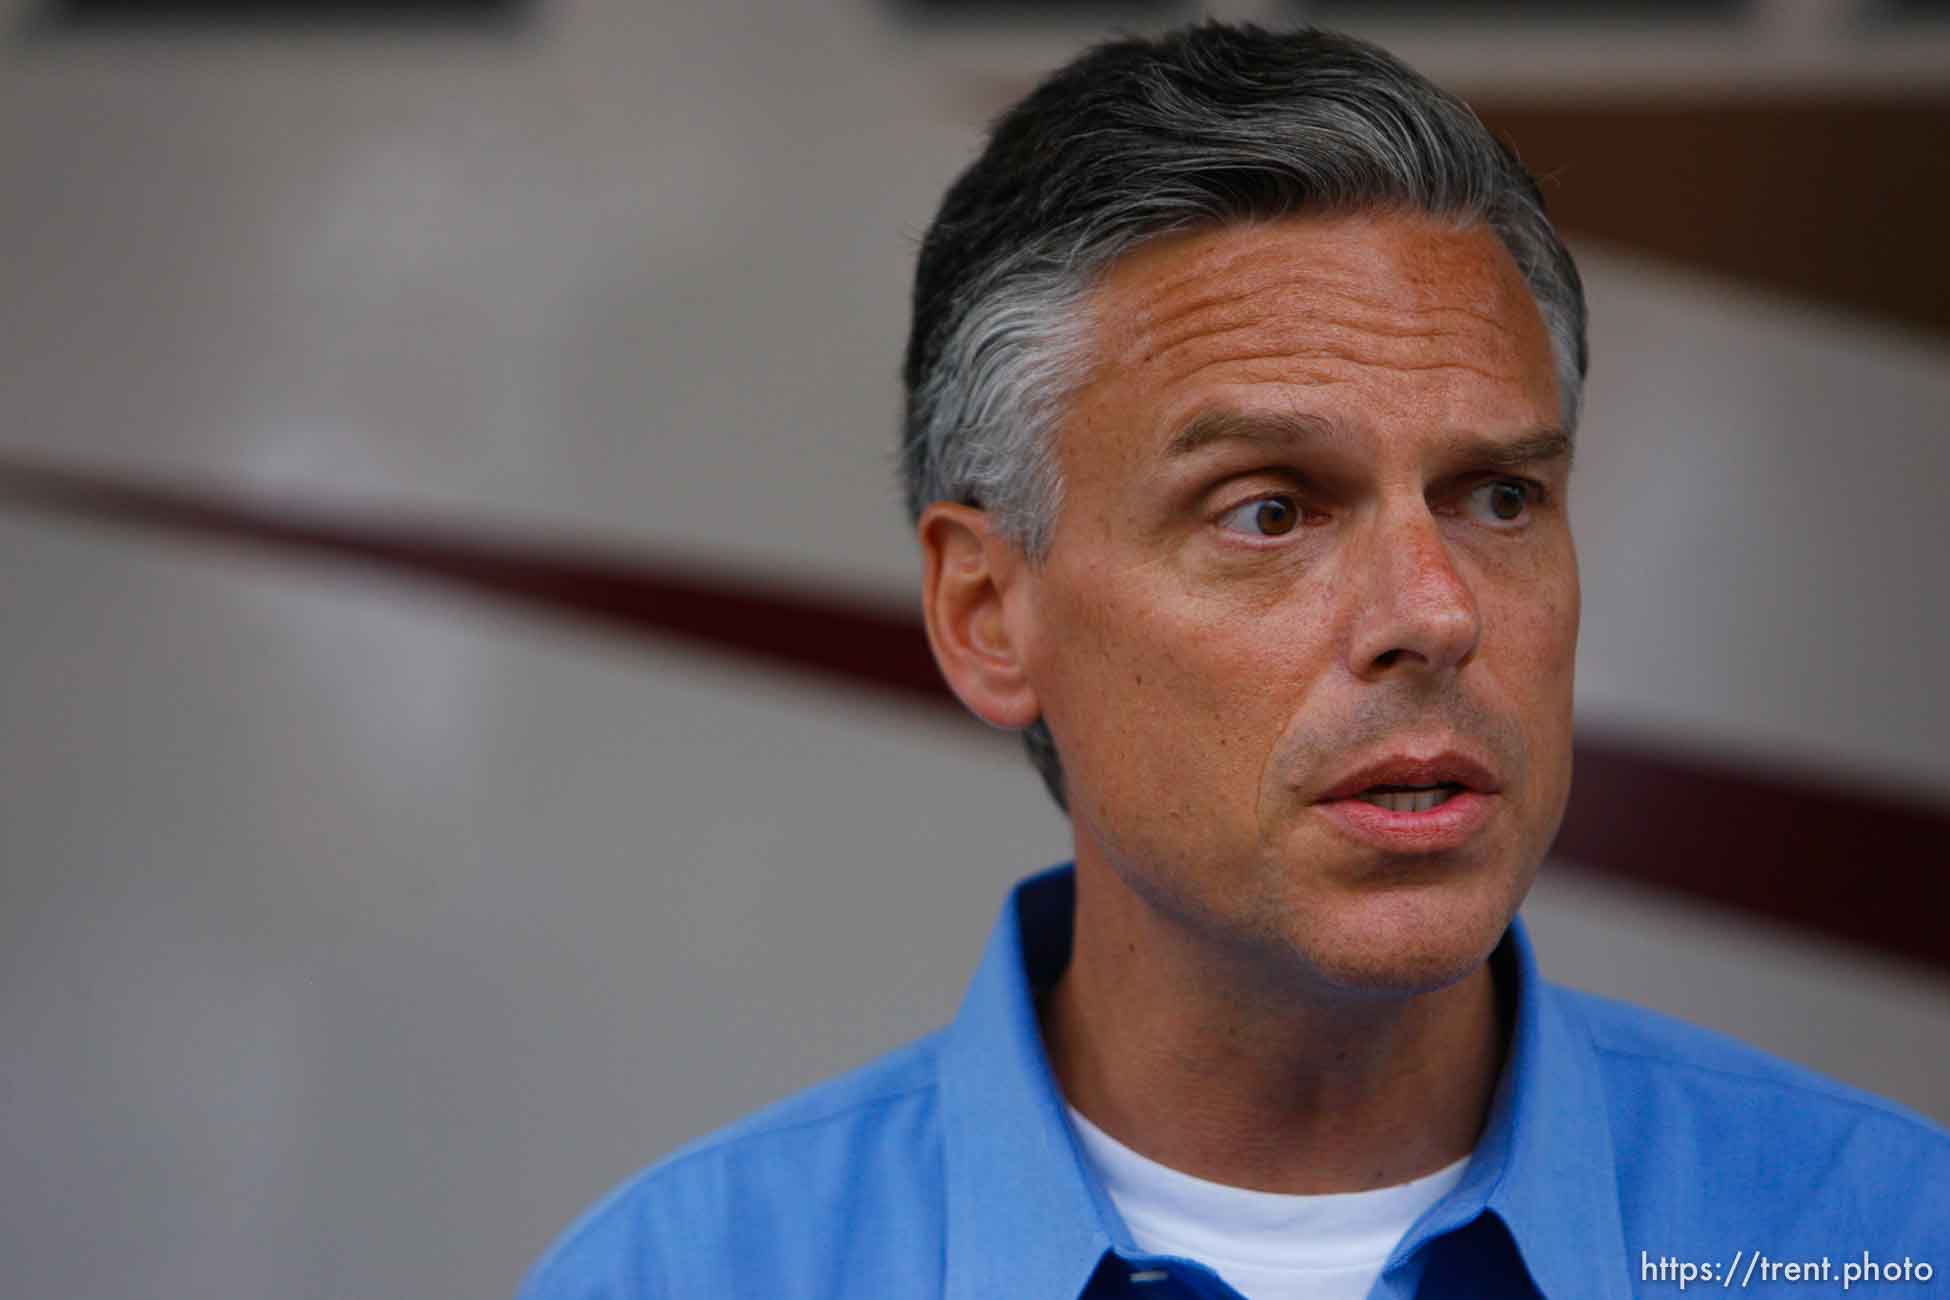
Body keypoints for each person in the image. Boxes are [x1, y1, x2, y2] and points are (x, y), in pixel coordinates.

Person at [520, 23, 1949, 1300]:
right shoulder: (690, 1275)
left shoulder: (1883, 1240)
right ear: (984, 613)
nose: (1434, 610)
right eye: (1268, 509)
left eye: (1496, 496)